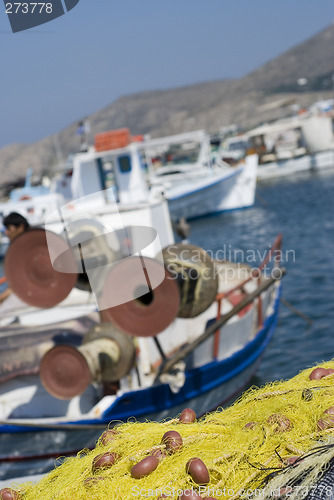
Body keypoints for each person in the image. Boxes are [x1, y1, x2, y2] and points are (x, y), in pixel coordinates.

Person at [0, 212, 30, 306]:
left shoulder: (30, 248)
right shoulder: (20, 246)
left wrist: (3, 297)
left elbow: (25, 280)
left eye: (8, 228)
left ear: (20, 227)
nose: (6, 232)